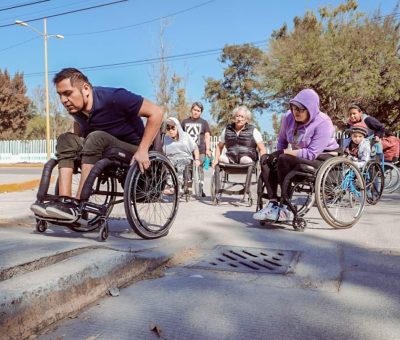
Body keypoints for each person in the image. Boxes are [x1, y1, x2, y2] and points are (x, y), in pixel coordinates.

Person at [30, 68, 163, 222]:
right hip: (103, 147)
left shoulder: (114, 97)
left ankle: (78, 205)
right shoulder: (76, 110)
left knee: (96, 137)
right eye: (60, 95)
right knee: (65, 139)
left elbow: (157, 112)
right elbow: (79, 126)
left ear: (85, 89)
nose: (63, 100)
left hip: (132, 149)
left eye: (67, 93)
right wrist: (75, 151)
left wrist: (143, 149)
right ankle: (64, 202)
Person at [253, 88, 339, 222]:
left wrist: (282, 153)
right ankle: (273, 203)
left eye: (301, 110)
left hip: (322, 157)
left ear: (310, 109)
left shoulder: (323, 122)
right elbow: (282, 140)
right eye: (294, 108)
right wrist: (275, 155)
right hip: (297, 156)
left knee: (283, 158)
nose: (296, 112)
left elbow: (311, 153)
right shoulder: (288, 117)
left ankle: (285, 207)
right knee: (266, 160)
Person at [163, 117, 200, 194]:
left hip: (185, 158)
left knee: (180, 162)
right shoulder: (165, 139)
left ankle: (179, 185)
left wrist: (197, 159)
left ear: (178, 127)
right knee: (168, 163)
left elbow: (195, 148)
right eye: (168, 128)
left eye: (173, 128)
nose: (171, 130)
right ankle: (170, 185)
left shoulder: (186, 136)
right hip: (171, 158)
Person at [181, 102, 211, 197]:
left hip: (201, 149)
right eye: (195, 110)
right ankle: (188, 189)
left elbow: (207, 136)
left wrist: (208, 149)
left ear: (201, 112)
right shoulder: (185, 122)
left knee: (200, 169)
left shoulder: (204, 122)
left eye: (198, 111)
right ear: (191, 110)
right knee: (187, 168)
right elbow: (181, 135)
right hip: (187, 150)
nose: (196, 112)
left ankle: (200, 189)